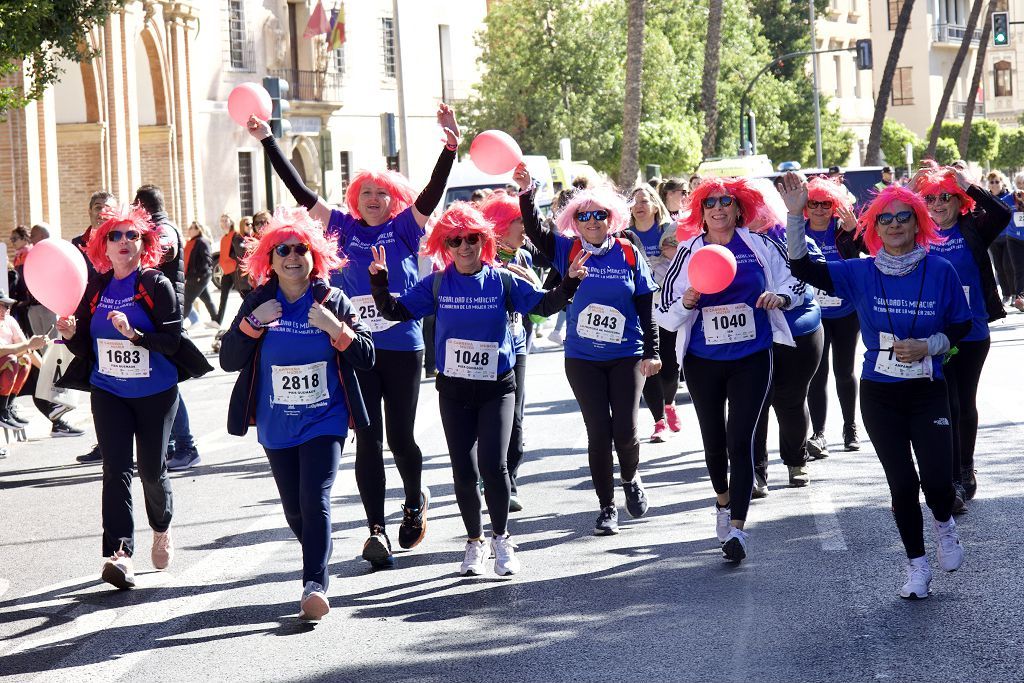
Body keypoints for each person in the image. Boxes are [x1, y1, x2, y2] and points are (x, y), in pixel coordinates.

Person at [248, 103, 460, 567]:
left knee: (400, 438)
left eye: (380, 194)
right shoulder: (340, 227)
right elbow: (300, 191)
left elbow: (431, 192)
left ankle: (413, 503)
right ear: (354, 198)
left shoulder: (405, 227)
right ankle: (376, 531)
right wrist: (267, 139)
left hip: (402, 345)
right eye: (364, 192)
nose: (372, 199)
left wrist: (449, 148)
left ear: (392, 200)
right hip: (353, 347)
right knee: (367, 437)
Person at [370, 202, 584, 576]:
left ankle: (502, 539)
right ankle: (475, 542)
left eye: (471, 239)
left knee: (494, 466)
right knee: (463, 472)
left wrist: (570, 283)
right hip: (453, 389)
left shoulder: (502, 280)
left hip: (497, 387)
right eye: (456, 240)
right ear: (445, 245)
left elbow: (543, 305)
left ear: (483, 240)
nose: (464, 246)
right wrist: (378, 282)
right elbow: (394, 311)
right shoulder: (437, 282)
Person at [782, 174, 969, 599]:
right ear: (874, 227)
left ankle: (944, 523)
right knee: (902, 485)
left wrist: (929, 345)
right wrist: (796, 215)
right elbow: (802, 267)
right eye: (886, 218)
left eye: (904, 217)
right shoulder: (859, 272)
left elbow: (961, 325)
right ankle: (917, 567)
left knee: (938, 483)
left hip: (927, 388)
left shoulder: (939, 270)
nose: (895, 224)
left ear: (917, 222)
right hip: (880, 392)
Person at [220, 207, 373, 620]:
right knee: (295, 510)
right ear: (268, 260)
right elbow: (230, 359)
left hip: (326, 418)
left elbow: (367, 356)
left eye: (300, 248)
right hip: (276, 422)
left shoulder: (330, 299)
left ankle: (313, 585)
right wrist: (254, 322)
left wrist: (334, 328)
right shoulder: (259, 300)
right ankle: (319, 549)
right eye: (282, 250)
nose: (292, 256)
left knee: (315, 496)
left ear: (314, 254)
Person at [56, 204, 212, 590]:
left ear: (144, 244)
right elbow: (87, 346)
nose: (124, 241)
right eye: (115, 235)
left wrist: (135, 336)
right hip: (108, 390)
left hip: (155, 392)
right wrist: (71, 332)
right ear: (102, 246)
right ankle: (120, 553)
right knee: (115, 470)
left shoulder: (154, 284)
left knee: (152, 471)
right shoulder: (96, 288)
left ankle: (161, 527)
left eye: (132, 235)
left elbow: (173, 340)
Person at [655, 177, 803, 563]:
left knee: (741, 439)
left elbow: (794, 281)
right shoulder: (687, 253)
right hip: (704, 362)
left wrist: (781, 296)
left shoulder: (759, 244)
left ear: (739, 209)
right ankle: (722, 501)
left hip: (753, 355)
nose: (719, 209)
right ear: (700, 212)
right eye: (710, 203)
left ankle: (737, 528)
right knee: (714, 441)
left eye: (726, 202)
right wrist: (686, 302)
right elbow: (665, 314)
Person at [515, 164, 660, 537]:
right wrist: (527, 190)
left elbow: (645, 303)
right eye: (584, 215)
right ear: (574, 221)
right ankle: (606, 507)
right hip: (582, 358)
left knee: (625, 431)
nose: (592, 221)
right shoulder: (567, 250)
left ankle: (630, 478)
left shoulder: (628, 252)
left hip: (626, 353)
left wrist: (653, 350)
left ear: (611, 218)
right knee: (598, 432)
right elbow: (533, 229)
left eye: (599, 214)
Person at [914, 167, 1009, 508]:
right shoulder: (916, 232)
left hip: (971, 332)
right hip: (931, 333)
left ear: (959, 201)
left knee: (962, 402)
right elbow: (877, 227)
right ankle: (952, 476)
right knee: (944, 403)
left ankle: (964, 470)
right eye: (930, 198)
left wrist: (966, 182)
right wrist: (912, 188)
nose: (937, 204)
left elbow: (1002, 212)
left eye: (945, 197)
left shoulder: (973, 229)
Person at [134, 184, 203, 473]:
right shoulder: (161, 227)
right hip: (159, 315)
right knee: (163, 381)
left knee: (167, 382)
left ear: (142, 207)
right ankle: (174, 445)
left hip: (165, 317)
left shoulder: (164, 230)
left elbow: (162, 251)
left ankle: (186, 446)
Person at [480, 192, 536, 512]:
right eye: (518, 221)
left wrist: (531, 283)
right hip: (485, 347)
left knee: (516, 417)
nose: (524, 228)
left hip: (517, 345)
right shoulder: (481, 259)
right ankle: (488, 474)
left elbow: (540, 314)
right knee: (485, 417)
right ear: (500, 225)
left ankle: (509, 478)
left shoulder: (524, 258)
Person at [802, 177, 864, 457]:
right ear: (806, 206)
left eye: (825, 204)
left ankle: (850, 428)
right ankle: (819, 433)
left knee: (844, 371)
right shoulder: (798, 232)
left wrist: (854, 231)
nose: (818, 209)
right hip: (813, 314)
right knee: (817, 374)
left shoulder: (843, 231)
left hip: (846, 312)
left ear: (834, 205)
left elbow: (865, 253)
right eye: (813, 203)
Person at [628, 185, 680, 442]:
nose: (639, 206)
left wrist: (669, 254)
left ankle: (669, 404)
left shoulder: (669, 231)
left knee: (670, 367)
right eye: (634, 202)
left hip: (667, 305)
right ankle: (658, 420)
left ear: (655, 205)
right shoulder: (624, 235)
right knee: (647, 363)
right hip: (639, 308)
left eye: (644, 201)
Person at [72, 191, 118, 464]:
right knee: (97, 384)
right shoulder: (77, 244)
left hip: (121, 318)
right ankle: (105, 443)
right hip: (89, 322)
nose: (101, 212)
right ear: (89, 211)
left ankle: (170, 442)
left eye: (106, 207)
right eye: (96, 206)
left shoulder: (123, 239)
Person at [0, 295, 83, 436]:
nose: (7, 310)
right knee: (13, 360)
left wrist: (46, 371)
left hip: (8, 372)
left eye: (8, 306)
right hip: (7, 367)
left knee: (33, 371)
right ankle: (2, 409)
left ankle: (56, 420)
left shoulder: (9, 320)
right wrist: (28, 345)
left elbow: (27, 349)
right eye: (3, 306)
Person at [986, 171, 1017, 304]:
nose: (994, 184)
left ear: (1002, 182)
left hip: (1009, 237)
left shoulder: (1010, 197)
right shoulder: (986, 197)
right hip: (994, 237)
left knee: (1008, 266)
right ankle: (1006, 294)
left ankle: (1015, 293)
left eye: (997, 181)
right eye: (992, 182)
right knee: (998, 267)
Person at [183, 221, 218, 326]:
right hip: (194, 277)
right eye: (190, 227)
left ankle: (179, 325)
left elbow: (207, 260)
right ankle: (216, 321)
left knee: (186, 300)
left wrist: (200, 275)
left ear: (199, 230)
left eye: (193, 228)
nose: (190, 229)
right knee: (206, 299)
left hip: (198, 277)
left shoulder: (202, 242)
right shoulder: (192, 242)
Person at [216, 214, 245, 325]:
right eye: (221, 220)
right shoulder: (224, 237)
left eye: (225, 220)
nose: (223, 222)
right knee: (223, 296)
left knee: (243, 294)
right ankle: (218, 320)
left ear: (231, 221)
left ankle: (253, 311)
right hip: (227, 271)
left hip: (235, 270)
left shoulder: (236, 235)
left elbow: (239, 252)